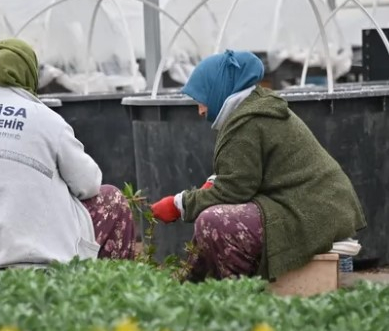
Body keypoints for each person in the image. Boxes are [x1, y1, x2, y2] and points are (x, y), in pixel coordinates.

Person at [0, 39, 136, 271]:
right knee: (111, 199)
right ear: (28, 74)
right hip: (29, 266)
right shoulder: (46, 119)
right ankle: (106, 296)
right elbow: (88, 185)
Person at [150, 50, 366, 282]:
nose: (200, 110)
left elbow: (235, 190)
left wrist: (179, 204)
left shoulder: (246, 123)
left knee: (213, 221)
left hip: (311, 213)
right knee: (217, 215)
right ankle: (196, 286)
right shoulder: (256, 107)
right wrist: (213, 185)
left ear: (218, 90)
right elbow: (247, 170)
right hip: (322, 207)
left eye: (201, 100)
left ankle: (241, 293)